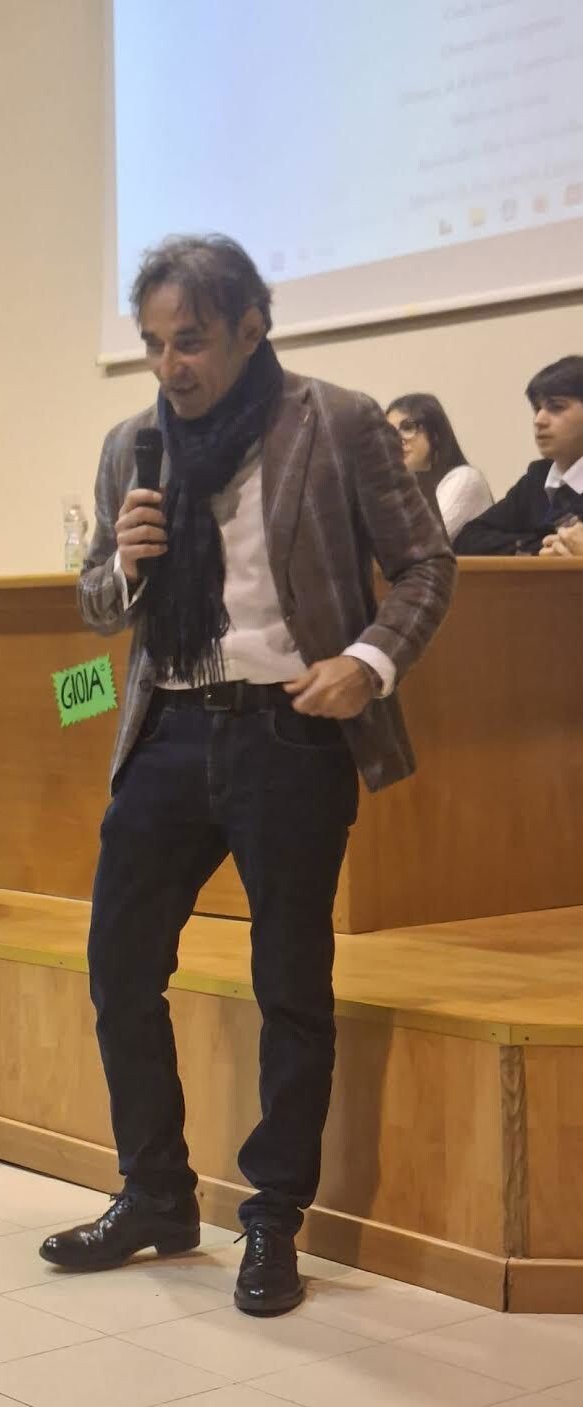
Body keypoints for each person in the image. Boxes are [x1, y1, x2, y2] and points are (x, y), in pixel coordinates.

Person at [38, 235, 455, 1315]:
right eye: (154, 344)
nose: (172, 366)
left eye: (192, 341)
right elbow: (92, 601)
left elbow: (425, 562)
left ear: (251, 327)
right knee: (120, 965)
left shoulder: (338, 419)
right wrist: (122, 565)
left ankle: (272, 1215)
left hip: (288, 731)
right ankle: (157, 1194)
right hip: (168, 727)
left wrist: (368, 662)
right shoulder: (133, 443)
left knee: (288, 984)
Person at [454, 356, 583, 555]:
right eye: (537, 409)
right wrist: (541, 547)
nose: (539, 420)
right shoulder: (538, 477)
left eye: (556, 407)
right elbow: (468, 539)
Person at [384, 393, 491, 541]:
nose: (397, 440)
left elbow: (421, 540)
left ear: (435, 434)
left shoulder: (465, 479)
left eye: (408, 427)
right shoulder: (397, 486)